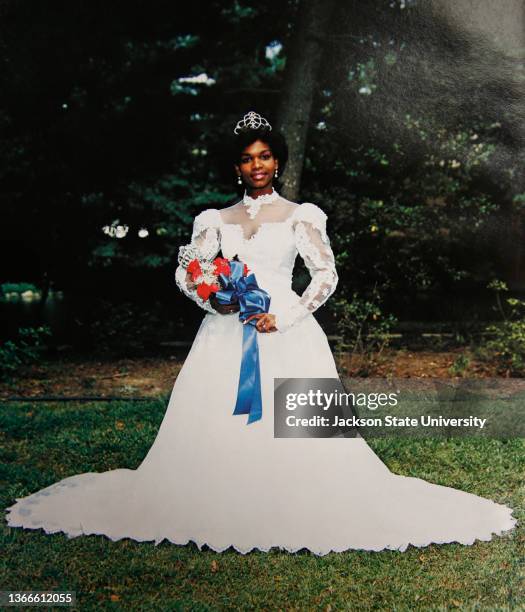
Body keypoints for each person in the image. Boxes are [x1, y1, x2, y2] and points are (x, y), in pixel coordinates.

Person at [5, 111, 517, 555]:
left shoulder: (301, 215)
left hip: (286, 332)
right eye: (248, 158)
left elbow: (326, 275)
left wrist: (286, 316)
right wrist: (213, 294)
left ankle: (303, 492)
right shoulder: (214, 219)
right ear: (236, 167)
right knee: (212, 413)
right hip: (226, 332)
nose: (257, 166)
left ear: (278, 161)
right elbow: (190, 274)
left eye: (266, 156)